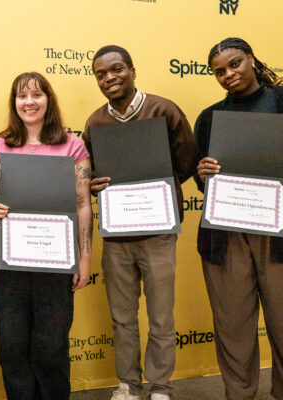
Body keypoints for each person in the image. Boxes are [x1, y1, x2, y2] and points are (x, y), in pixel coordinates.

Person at [194, 37, 283, 400]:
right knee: (233, 332)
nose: (228, 74)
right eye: (219, 71)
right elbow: (209, 184)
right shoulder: (209, 117)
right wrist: (204, 175)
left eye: (235, 64)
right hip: (226, 239)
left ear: (250, 59)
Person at [82, 45, 200, 400]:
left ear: (133, 71)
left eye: (116, 69)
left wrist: (156, 190)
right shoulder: (95, 122)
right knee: (122, 318)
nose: (109, 78)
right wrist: (91, 185)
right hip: (117, 235)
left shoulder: (163, 110)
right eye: (101, 74)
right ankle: (128, 385)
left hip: (159, 231)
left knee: (161, 317)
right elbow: (90, 174)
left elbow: (186, 162)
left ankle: (161, 386)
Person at [0, 71, 92, 399]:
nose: (29, 102)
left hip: (56, 256)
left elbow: (83, 203)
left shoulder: (72, 145)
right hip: (7, 255)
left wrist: (84, 257)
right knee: (12, 343)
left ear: (49, 100)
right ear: (14, 103)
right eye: (21, 96)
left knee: (51, 344)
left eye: (36, 95)